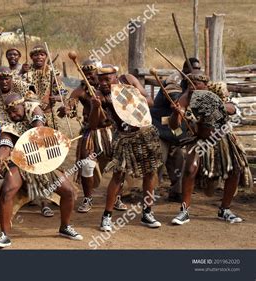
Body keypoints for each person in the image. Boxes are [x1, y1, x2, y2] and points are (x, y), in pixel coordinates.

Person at [0, 93, 83, 248]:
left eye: (15, 110)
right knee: (7, 191)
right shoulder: (8, 125)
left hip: (43, 161)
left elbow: (39, 132)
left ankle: (65, 227)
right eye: (10, 113)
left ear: (23, 105)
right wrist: (0, 158)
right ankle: (4, 235)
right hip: (20, 163)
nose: (13, 115)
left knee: (68, 192)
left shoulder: (34, 110)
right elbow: (5, 145)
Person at [169, 71, 248, 225]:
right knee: (190, 169)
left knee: (235, 170)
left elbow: (233, 109)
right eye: (189, 83)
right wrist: (175, 113)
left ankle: (225, 210)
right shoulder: (185, 98)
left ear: (205, 85)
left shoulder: (216, 93)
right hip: (201, 141)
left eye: (196, 83)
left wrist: (214, 105)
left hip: (222, 139)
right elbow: (174, 126)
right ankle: (184, 211)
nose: (192, 87)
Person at [92, 64, 162, 231]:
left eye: (106, 79)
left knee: (150, 172)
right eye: (100, 79)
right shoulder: (99, 95)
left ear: (115, 77)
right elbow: (94, 123)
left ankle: (147, 213)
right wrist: (96, 106)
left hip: (144, 131)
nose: (103, 83)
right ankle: (106, 217)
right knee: (118, 175)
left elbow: (149, 102)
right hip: (124, 137)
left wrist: (130, 95)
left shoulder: (128, 80)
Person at [57, 60, 126, 213]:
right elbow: (70, 104)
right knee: (87, 165)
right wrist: (66, 109)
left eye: (91, 73)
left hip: (112, 130)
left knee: (119, 165)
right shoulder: (81, 90)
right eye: (85, 74)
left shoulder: (111, 88)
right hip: (91, 132)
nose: (89, 77)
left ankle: (117, 197)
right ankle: (88, 198)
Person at [151, 58, 200, 202]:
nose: (196, 73)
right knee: (160, 157)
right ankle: (150, 191)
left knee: (179, 158)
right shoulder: (174, 80)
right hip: (159, 126)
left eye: (198, 70)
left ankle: (176, 192)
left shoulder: (194, 85)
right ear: (185, 71)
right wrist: (191, 91)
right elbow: (177, 103)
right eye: (193, 70)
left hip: (175, 129)